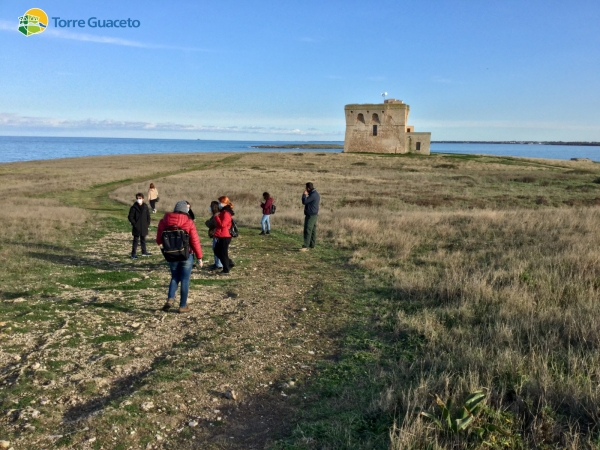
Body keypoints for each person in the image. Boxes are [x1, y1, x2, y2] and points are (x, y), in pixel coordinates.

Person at [156, 200, 203, 313]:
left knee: (174, 277)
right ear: (185, 210)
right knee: (185, 279)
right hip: (186, 254)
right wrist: (199, 257)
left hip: (171, 254)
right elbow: (195, 241)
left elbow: (158, 240)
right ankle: (182, 305)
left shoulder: (164, 221)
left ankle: (170, 299)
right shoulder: (189, 222)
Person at [213, 196, 235, 275]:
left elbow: (223, 224)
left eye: (220, 202)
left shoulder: (226, 213)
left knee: (223, 253)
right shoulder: (223, 211)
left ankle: (226, 269)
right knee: (217, 251)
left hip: (225, 235)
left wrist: (216, 217)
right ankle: (229, 263)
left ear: (223, 203)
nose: (219, 204)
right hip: (222, 235)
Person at [128, 193, 152, 259]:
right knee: (135, 240)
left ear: (143, 199)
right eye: (137, 198)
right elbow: (130, 217)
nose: (139, 200)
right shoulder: (133, 207)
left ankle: (144, 252)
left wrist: (147, 223)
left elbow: (148, 216)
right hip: (136, 227)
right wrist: (134, 224)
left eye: (140, 198)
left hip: (144, 226)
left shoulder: (145, 206)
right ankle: (133, 254)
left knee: (143, 239)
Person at [300, 182, 320, 251]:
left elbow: (304, 202)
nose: (305, 189)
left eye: (306, 188)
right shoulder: (316, 194)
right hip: (314, 214)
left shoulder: (313, 195)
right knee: (313, 230)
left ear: (308, 188)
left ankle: (305, 246)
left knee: (308, 229)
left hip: (310, 215)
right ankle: (312, 244)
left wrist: (304, 195)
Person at [205, 201, 223, 271]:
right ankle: (217, 263)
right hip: (216, 234)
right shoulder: (216, 215)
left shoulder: (217, 215)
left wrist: (207, 222)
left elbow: (212, 224)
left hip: (217, 234)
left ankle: (219, 264)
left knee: (217, 249)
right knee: (215, 249)